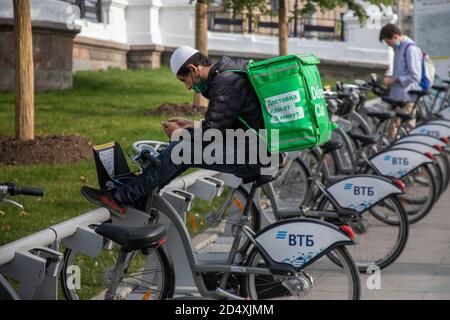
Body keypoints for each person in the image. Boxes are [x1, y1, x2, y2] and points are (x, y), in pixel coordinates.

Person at [82, 46, 267, 217]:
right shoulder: (229, 74)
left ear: (194, 70)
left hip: (253, 156)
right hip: (256, 148)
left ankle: (121, 198)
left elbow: (212, 133)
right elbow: (229, 123)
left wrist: (179, 133)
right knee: (183, 149)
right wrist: (191, 124)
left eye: (184, 80)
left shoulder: (225, 82)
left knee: (179, 152)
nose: (188, 87)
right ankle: (141, 195)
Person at [379, 23, 424, 139]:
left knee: (408, 132)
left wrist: (394, 80)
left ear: (395, 37)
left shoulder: (411, 49)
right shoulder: (398, 48)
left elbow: (416, 76)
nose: (389, 45)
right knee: (392, 132)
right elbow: (398, 70)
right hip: (396, 97)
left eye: (388, 42)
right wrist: (388, 77)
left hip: (407, 99)